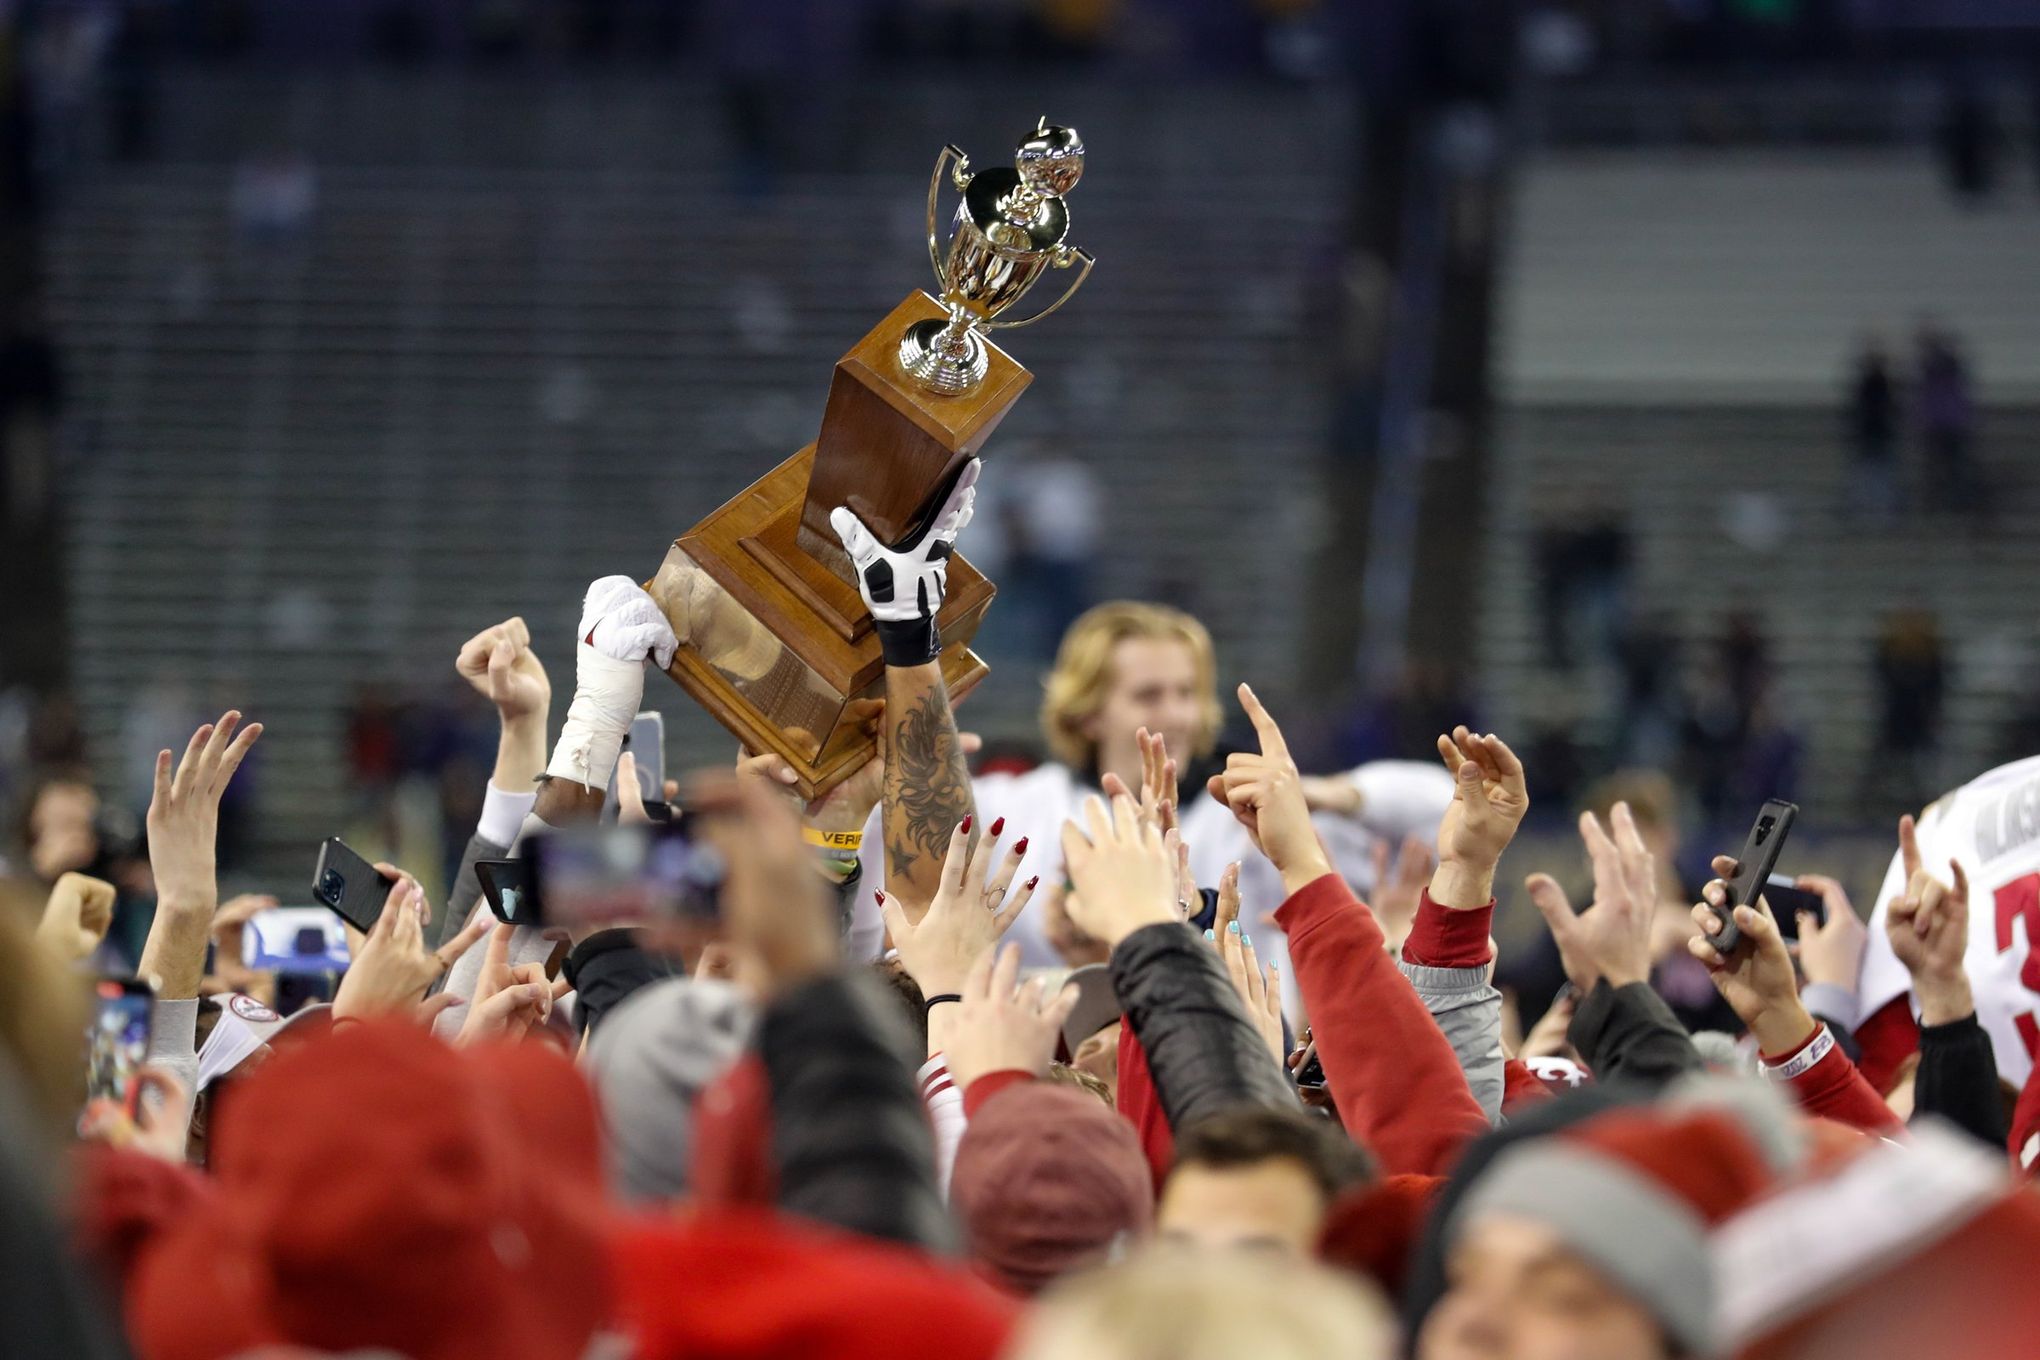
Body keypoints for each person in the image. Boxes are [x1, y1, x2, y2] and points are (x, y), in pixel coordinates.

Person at [848, 598, 1456, 999]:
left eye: (1188, 692)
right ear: (1086, 713)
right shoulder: (1015, 808)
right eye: (1149, 695)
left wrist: (1322, 796)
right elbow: (874, 877)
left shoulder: (1248, 821)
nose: (1178, 714)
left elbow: (1447, 812)